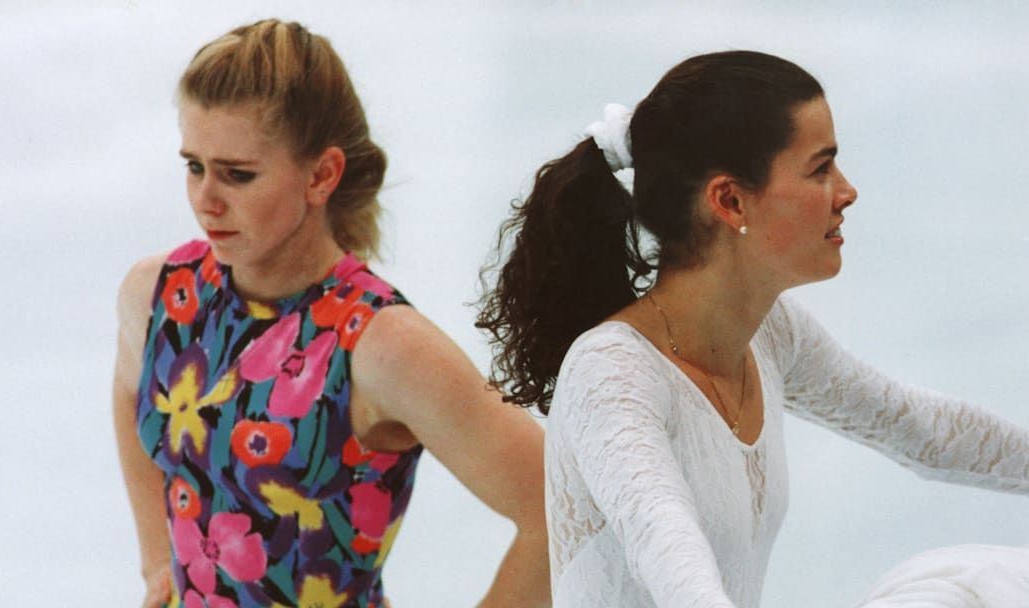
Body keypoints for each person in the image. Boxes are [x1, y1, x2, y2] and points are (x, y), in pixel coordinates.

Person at [476, 50, 1029, 607]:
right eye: (820, 169)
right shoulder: (611, 375)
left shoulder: (771, 333)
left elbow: (917, 427)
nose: (846, 192)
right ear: (731, 200)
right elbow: (670, 556)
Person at [113, 19, 548, 608]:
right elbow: (129, 391)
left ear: (321, 175)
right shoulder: (160, 294)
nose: (205, 199)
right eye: (194, 166)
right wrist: (156, 562)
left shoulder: (380, 344)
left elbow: (561, 509)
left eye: (237, 174)